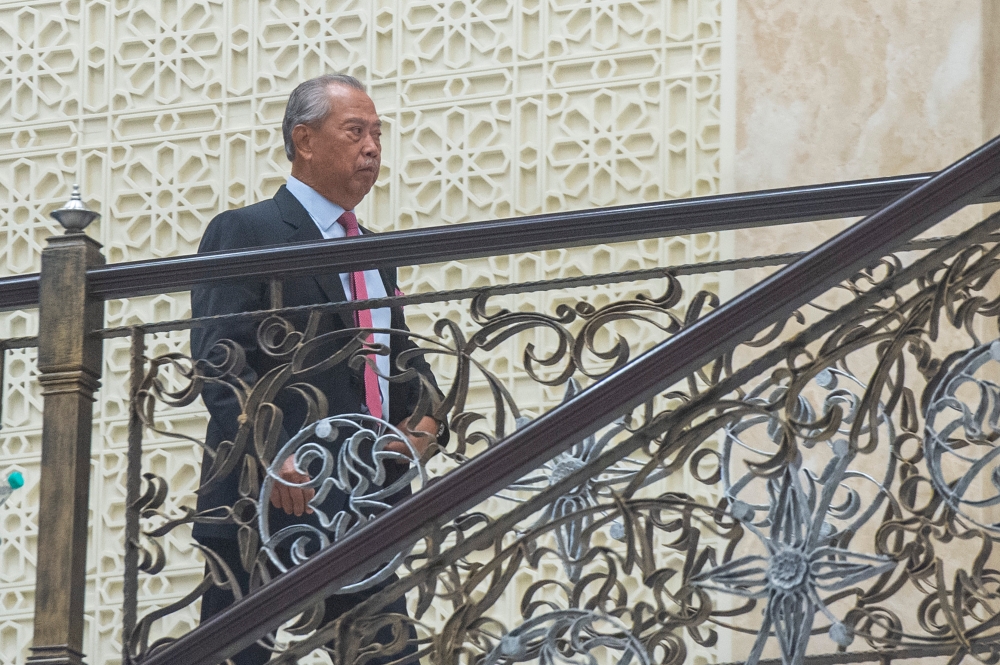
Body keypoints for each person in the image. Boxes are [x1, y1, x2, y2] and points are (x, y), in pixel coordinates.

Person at [190, 73, 445, 664]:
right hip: (266, 499)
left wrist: (426, 425)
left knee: (388, 655)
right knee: (237, 655)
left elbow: (404, 362)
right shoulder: (246, 231)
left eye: (378, 133)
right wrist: (277, 456)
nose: (373, 147)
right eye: (355, 131)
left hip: (363, 502)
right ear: (304, 140)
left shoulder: (373, 249)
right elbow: (219, 363)